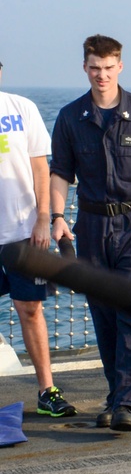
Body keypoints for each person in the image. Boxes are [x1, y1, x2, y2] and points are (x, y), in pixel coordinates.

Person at [50, 35, 131, 433]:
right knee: (104, 315)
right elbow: (60, 173)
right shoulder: (70, 117)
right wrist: (57, 216)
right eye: (94, 68)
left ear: (120, 66)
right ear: (85, 69)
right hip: (91, 227)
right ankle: (118, 396)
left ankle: (128, 404)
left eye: (108, 67)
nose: (101, 75)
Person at [0, 61, 77, 418]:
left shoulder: (22, 108)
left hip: (22, 230)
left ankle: (47, 390)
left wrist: (45, 218)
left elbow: (40, 168)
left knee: (30, 309)